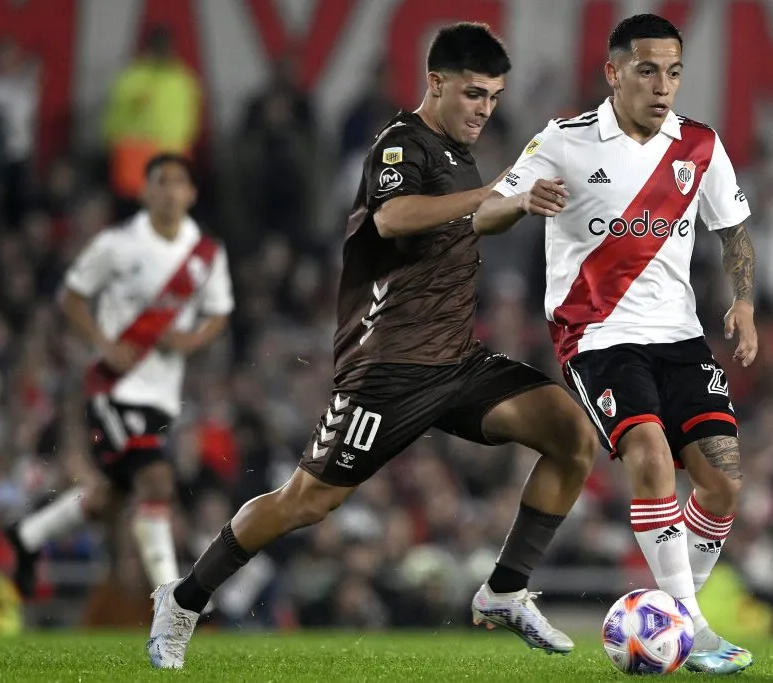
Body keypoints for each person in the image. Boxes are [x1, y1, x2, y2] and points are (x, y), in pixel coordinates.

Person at [146, 22, 597, 669]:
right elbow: (393, 217)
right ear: (435, 82)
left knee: (571, 435)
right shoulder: (400, 146)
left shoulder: (462, 157)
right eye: (473, 94)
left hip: (456, 361)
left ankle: (504, 589)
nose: (483, 109)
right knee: (308, 500)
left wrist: (523, 202)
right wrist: (492, 192)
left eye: (493, 97)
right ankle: (185, 597)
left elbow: (483, 214)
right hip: (386, 366)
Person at [474, 14, 757, 675]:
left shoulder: (699, 146)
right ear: (614, 72)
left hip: (680, 335)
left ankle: (671, 608)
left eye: (675, 71)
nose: (664, 85)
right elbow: (484, 211)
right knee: (650, 452)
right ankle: (691, 627)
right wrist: (521, 202)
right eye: (648, 70)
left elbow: (735, 232)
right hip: (597, 334)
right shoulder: (565, 142)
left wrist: (742, 300)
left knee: (723, 484)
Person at [7, 154, 233, 601]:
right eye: (160, 183)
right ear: (146, 192)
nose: (169, 191)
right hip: (113, 387)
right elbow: (72, 296)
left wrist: (190, 341)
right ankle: (172, 597)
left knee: (111, 496)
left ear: (191, 193)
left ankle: (28, 536)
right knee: (156, 478)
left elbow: (220, 313)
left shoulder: (206, 254)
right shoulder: (117, 245)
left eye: (178, 183)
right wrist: (103, 342)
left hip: (162, 396)